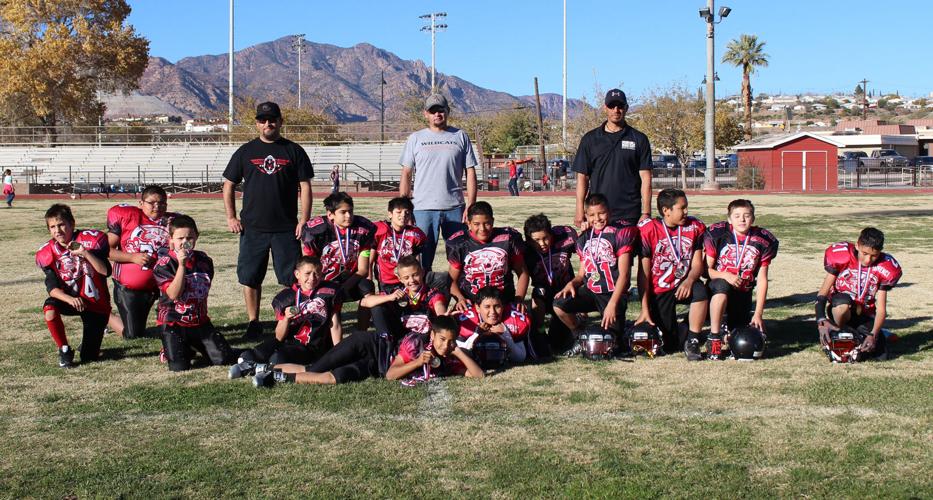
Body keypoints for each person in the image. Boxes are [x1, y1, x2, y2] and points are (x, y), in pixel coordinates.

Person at [222, 101, 314, 340]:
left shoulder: (294, 150)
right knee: (250, 277)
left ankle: (289, 320)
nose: (267, 124)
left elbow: (305, 186)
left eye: (272, 119)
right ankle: (253, 322)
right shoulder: (246, 151)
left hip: (286, 228)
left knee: (290, 278)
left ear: (280, 122)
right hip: (253, 229)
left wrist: (303, 219)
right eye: (262, 120)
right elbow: (228, 184)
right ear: (257, 124)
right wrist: (231, 217)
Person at [251, 316, 483, 387]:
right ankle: (259, 367)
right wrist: (417, 362)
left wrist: (458, 352)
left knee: (334, 378)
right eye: (442, 339)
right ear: (432, 335)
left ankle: (275, 377)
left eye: (450, 341)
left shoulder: (449, 355)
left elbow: (479, 376)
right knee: (315, 368)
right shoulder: (416, 342)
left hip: (373, 366)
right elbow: (392, 374)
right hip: (367, 345)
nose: (445, 345)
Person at [399, 93, 478, 270]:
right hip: (422, 208)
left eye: (440, 110)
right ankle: (424, 288)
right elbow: (406, 173)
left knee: (461, 258)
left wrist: (471, 205)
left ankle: (458, 288)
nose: (437, 114)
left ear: (447, 111)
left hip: (455, 208)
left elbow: (470, 171)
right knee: (421, 260)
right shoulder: (415, 138)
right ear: (425, 113)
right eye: (432, 111)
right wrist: (405, 208)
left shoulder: (460, 136)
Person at [229, 256, 341, 379]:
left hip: (311, 346)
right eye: (307, 273)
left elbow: (335, 325)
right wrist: (286, 318)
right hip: (287, 342)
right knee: (250, 355)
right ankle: (254, 365)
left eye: (317, 273)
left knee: (277, 358)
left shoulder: (329, 293)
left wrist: (339, 352)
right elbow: (279, 337)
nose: (312, 278)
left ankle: (260, 369)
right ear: (297, 274)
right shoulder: (285, 297)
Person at [152, 215, 236, 371]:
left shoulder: (204, 260)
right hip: (174, 322)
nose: (185, 242)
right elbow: (173, 294)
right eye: (180, 238)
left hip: (199, 321)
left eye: (189, 237)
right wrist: (182, 266)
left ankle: (191, 344)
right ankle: (170, 348)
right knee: (179, 367)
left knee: (224, 359)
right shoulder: (164, 264)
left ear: (197, 236)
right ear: (171, 239)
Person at [553, 193, 638, 344]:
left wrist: (613, 304)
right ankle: (579, 335)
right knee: (559, 305)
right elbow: (581, 275)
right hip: (592, 292)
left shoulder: (620, 232)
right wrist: (572, 283)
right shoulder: (584, 238)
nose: (597, 218)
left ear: (609, 212)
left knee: (610, 344)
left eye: (601, 213)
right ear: (586, 216)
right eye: (592, 215)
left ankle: (624, 328)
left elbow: (624, 275)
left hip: (612, 294)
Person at [635, 189, 709, 357]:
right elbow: (643, 273)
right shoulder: (649, 229)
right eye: (682, 208)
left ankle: (693, 339)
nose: (686, 211)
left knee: (700, 292)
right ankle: (682, 328)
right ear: (666, 210)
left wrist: (689, 280)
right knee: (670, 346)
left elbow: (697, 265)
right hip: (659, 288)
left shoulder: (694, 227)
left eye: (686, 207)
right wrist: (644, 308)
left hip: (684, 282)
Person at [36, 204, 112, 368]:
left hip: (95, 303)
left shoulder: (90, 241)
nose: (58, 230)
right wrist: (69, 299)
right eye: (52, 227)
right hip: (70, 300)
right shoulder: (48, 252)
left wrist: (85, 253)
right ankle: (64, 349)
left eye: (61, 224)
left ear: (72, 224)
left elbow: (105, 271)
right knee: (50, 308)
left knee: (88, 358)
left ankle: (87, 346)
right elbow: (52, 289)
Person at [703, 199, 779, 361]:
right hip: (717, 289)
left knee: (742, 335)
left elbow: (762, 279)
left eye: (747, 215)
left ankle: (724, 329)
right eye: (737, 216)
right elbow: (706, 271)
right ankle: (714, 337)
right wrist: (725, 275)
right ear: (729, 219)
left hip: (743, 293)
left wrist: (758, 313)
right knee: (722, 285)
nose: (742, 219)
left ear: (753, 218)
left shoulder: (763, 240)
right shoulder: (718, 234)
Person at [300, 191, 376, 343]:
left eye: (351, 211)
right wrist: (328, 288)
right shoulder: (316, 231)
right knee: (330, 307)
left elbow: (362, 269)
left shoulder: (363, 229)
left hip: (351, 279)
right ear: (330, 214)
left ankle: (361, 336)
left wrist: (343, 288)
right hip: (323, 280)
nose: (349, 216)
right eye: (343, 212)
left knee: (367, 287)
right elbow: (309, 266)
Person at [816, 227, 902, 360]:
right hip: (841, 309)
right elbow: (822, 293)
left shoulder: (885, 267)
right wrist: (821, 320)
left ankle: (873, 334)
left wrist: (873, 334)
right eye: (865, 253)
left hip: (865, 313)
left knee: (881, 356)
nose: (868, 260)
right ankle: (839, 330)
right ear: (857, 245)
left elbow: (881, 309)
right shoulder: (843, 257)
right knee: (842, 304)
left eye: (874, 255)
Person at [572, 89, 652, 229]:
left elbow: (646, 178)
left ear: (626, 108)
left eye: (620, 106)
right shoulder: (590, 139)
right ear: (605, 108)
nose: (616, 110)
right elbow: (582, 177)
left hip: (629, 213)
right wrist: (579, 210)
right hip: (598, 213)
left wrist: (646, 212)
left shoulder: (639, 139)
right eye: (611, 106)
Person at [106, 185, 178, 340]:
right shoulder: (128, 216)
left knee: (176, 327)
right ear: (141, 203)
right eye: (152, 202)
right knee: (133, 334)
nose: (157, 206)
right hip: (131, 287)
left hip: (162, 283)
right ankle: (105, 314)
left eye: (162, 203)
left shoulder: (173, 221)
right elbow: (106, 250)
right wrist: (132, 257)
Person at [446, 201, 529, 311]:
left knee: (521, 320)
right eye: (476, 224)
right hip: (471, 303)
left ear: (493, 221)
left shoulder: (509, 238)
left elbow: (522, 273)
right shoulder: (459, 243)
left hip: (503, 302)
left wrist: (519, 299)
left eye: (487, 223)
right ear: (468, 223)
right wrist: (460, 299)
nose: (482, 228)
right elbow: (451, 280)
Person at [523, 213, 578, 355]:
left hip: (565, 293)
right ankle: (540, 331)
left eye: (545, 238)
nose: (542, 243)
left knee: (557, 343)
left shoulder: (565, 237)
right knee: (539, 291)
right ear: (528, 240)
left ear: (551, 234)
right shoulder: (526, 251)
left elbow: (586, 253)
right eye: (536, 240)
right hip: (545, 295)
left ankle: (576, 332)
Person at [360, 255, 448, 342]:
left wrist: (443, 317)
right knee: (377, 307)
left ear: (422, 272)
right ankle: (385, 343)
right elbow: (364, 302)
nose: (412, 280)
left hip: (423, 341)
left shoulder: (431, 293)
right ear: (400, 279)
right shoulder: (397, 292)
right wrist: (390, 297)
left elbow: (439, 305)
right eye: (406, 278)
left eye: (415, 275)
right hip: (401, 338)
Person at [457, 286, 533, 364]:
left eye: (497, 306)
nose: (493, 312)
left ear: (503, 306)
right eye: (487, 307)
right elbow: (459, 353)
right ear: (477, 308)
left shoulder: (513, 320)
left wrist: (505, 333)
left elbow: (520, 357)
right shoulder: (468, 321)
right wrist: (476, 334)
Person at [372, 197, 427, 292]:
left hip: (408, 280)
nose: (403, 215)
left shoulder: (415, 234)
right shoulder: (381, 230)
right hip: (387, 280)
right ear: (390, 214)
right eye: (399, 212)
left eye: (407, 213)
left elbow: (417, 260)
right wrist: (369, 277)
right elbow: (370, 259)